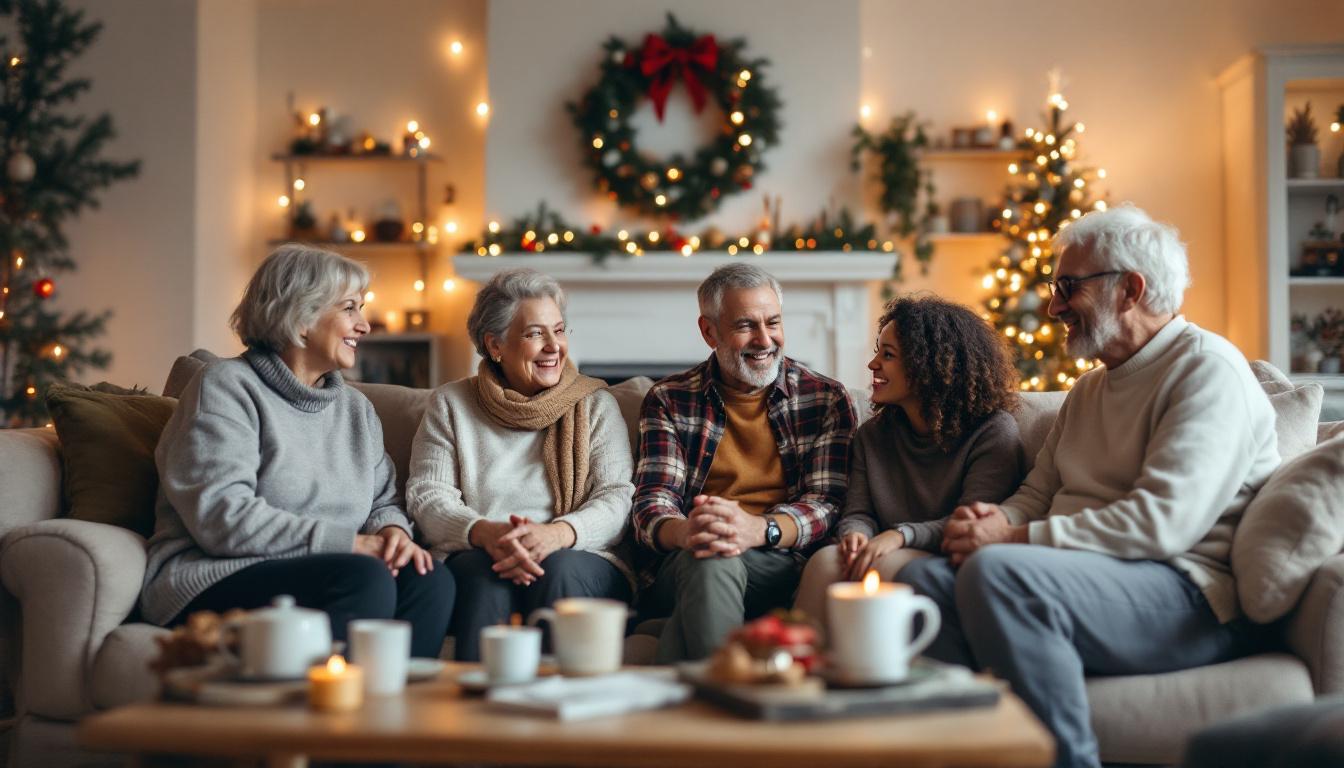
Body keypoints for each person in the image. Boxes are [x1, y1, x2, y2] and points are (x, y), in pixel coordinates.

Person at [896, 204, 1280, 768]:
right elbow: (1037, 493)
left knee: (1001, 574)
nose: (1054, 307)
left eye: (1067, 287)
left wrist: (1009, 545)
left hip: (1187, 593)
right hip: (1090, 577)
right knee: (924, 577)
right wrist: (993, 521)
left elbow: (1161, 524)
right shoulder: (1088, 391)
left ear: (1130, 288)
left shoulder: (1206, 370)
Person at [141, 244, 454, 659]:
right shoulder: (226, 387)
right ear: (302, 317)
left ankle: (394, 712)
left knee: (429, 578)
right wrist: (350, 544)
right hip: (217, 573)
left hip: (333, 568)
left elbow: (384, 501)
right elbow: (222, 516)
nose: (364, 325)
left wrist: (392, 534)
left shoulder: (355, 409)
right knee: (364, 577)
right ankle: (335, 716)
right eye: (349, 309)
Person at [406, 268, 634, 661]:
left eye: (559, 330)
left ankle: (559, 709)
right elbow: (428, 496)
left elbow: (617, 498)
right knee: (483, 577)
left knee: (558, 569)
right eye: (534, 334)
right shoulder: (451, 404)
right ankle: (481, 708)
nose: (554, 347)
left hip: (581, 555)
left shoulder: (595, 404)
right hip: (478, 551)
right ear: (495, 345)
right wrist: (485, 533)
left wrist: (558, 535)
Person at [633, 262, 857, 663]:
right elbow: (652, 502)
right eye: (745, 326)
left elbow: (827, 502)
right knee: (711, 558)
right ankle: (727, 694)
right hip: (689, 557)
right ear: (709, 332)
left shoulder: (825, 398)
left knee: (714, 559)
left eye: (773, 322)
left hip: (783, 559)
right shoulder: (669, 399)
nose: (765, 339)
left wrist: (760, 529)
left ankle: (681, 647)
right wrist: (688, 532)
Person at [793, 295, 1023, 624]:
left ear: (926, 366)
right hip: (884, 548)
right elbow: (858, 511)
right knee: (826, 561)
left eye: (888, 355)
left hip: (946, 555)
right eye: (877, 351)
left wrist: (900, 535)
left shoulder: (993, 432)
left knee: (881, 567)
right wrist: (855, 535)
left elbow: (973, 526)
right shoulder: (873, 435)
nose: (873, 365)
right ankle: (798, 665)